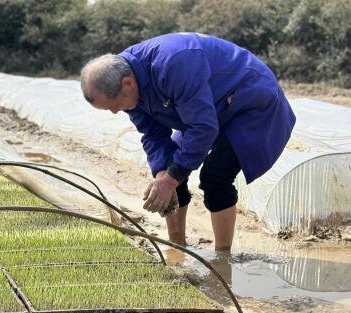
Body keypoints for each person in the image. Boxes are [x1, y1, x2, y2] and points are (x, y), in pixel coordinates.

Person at [80, 33, 296, 251]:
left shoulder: (173, 63)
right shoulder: (127, 85)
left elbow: (203, 127)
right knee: (169, 169)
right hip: (210, 109)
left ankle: (222, 257)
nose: (116, 112)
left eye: (114, 105)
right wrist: (163, 175)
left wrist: (172, 178)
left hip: (249, 102)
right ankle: (177, 246)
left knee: (215, 177)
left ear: (127, 83)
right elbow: (153, 134)